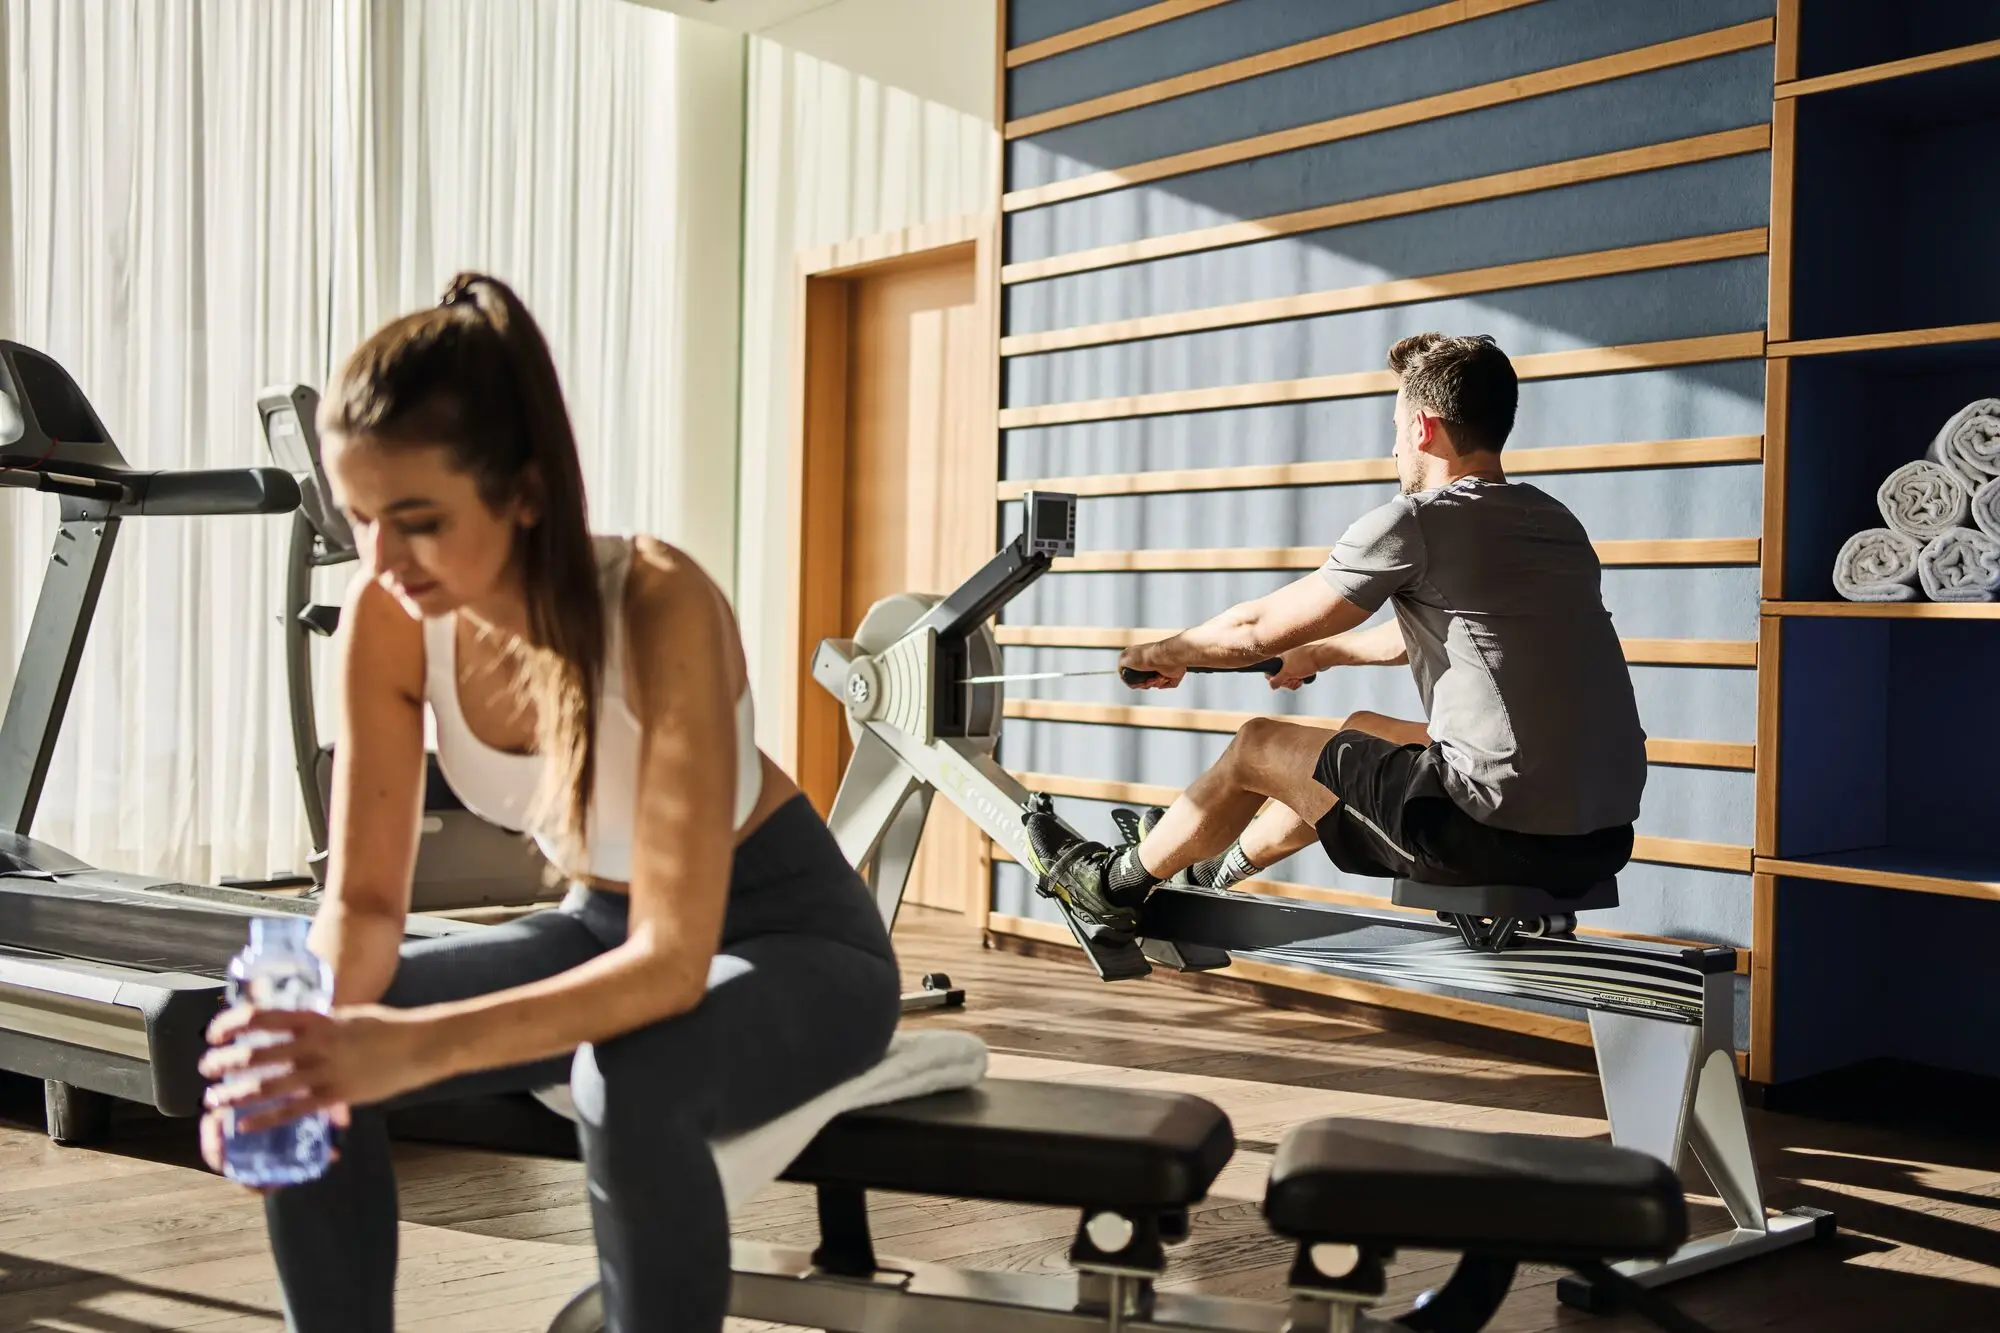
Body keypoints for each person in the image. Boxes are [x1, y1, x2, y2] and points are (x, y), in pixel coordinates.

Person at [197, 273, 901, 1333]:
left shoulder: (661, 602)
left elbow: (670, 961)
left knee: (629, 1076)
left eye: (418, 520)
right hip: (596, 926)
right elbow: (367, 909)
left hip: (799, 942)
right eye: (360, 518)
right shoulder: (386, 620)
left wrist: (400, 1048)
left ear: (522, 492)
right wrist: (321, 1038)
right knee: (285, 1036)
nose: (381, 560)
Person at [1030, 333, 1648, 933]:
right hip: (1602, 837)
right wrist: (1321, 651)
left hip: (1491, 835)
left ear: (1422, 427)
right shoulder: (1552, 521)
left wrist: (1163, 653)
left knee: (1256, 745)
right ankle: (1215, 866)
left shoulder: (1417, 522)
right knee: (1360, 735)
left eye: (1396, 427)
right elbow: (1444, 635)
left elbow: (1254, 631)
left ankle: (1112, 885)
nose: (1396, 449)